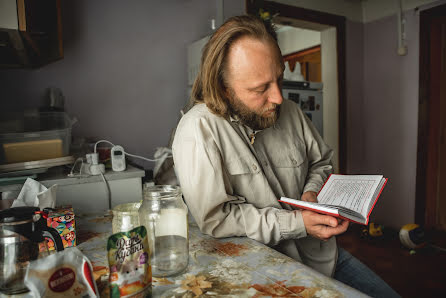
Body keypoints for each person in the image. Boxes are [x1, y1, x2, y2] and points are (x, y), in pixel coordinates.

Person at [172, 15, 399, 298]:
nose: (279, 98)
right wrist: (298, 223)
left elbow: (321, 162)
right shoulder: (198, 130)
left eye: (279, 78)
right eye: (260, 89)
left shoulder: (291, 112)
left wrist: (311, 192)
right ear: (223, 89)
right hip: (260, 269)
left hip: (322, 257)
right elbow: (217, 219)